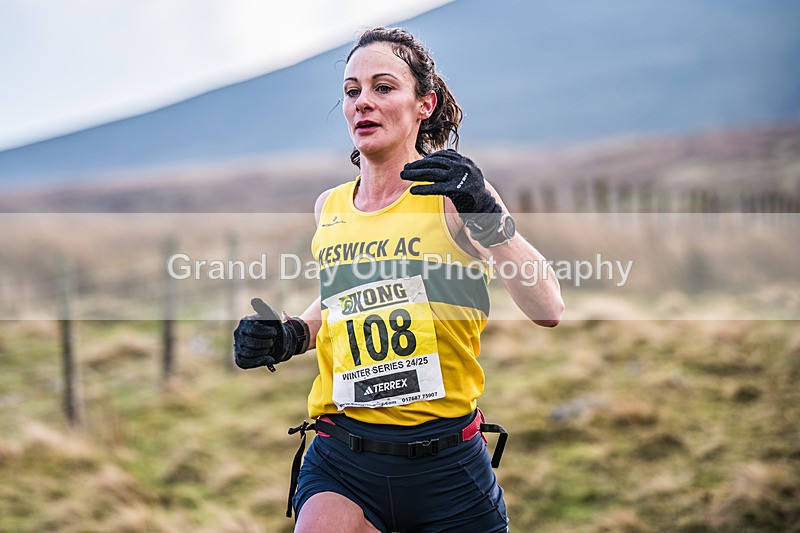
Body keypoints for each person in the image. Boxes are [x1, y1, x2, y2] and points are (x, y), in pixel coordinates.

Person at [234, 26, 564, 533]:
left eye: (383, 87)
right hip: (343, 459)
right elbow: (343, 299)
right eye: (352, 91)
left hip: (447, 467)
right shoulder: (330, 206)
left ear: (423, 104)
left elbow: (548, 308)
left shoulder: (456, 197)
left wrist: (488, 218)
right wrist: (291, 334)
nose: (362, 102)